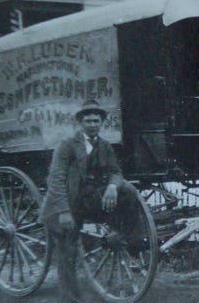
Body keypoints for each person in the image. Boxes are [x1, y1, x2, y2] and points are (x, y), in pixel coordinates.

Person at [39, 99, 142, 303]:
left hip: (87, 200)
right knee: (68, 252)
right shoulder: (67, 146)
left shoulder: (104, 146)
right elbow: (56, 180)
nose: (93, 125)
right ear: (80, 122)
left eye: (96, 121)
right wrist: (63, 212)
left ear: (102, 122)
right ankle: (70, 298)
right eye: (88, 121)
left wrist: (113, 186)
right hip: (66, 204)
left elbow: (116, 172)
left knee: (129, 189)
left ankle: (129, 237)